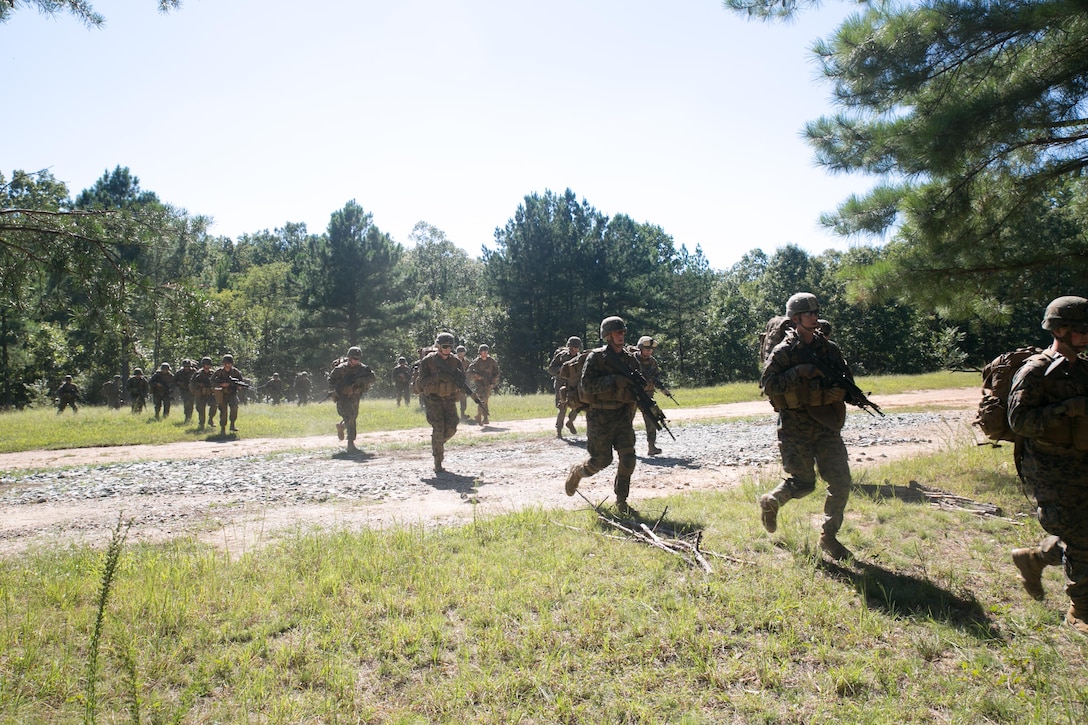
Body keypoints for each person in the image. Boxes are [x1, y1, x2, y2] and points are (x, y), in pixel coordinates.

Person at [1007, 295, 1088, 633]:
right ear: (1062, 330)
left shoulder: (1081, 367)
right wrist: (1067, 408)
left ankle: (1035, 559)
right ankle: (1081, 609)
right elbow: (1018, 420)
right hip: (1052, 470)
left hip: (1081, 462)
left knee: (1082, 536)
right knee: (1083, 538)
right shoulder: (1037, 370)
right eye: (1084, 328)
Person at [757, 292, 855, 561]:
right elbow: (768, 385)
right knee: (803, 483)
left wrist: (840, 393)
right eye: (808, 313)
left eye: (815, 312)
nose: (814, 317)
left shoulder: (829, 349)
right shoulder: (785, 352)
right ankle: (772, 502)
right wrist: (798, 372)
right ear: (795, 318)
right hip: (795, 426)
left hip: (826, 425)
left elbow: (845, 380)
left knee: (841, 481)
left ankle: (829, 536)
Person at [564, 316, 643, 516]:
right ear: (607, 336)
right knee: (601, 460)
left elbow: (636, 387)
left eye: (623, 332)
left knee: (628, 459)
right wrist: (614, 380)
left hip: (623, 416)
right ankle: (578, 472)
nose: (622, 335)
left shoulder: (630, 359)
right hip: (600, 417)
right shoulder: (597, 358)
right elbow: (587, 386)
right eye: (618, 332)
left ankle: (621, 502)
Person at [416, 332, 464, 473]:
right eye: (444, 346)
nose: (448, 349)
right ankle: (438, 461)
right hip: (433, 399)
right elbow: (422, 382)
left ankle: (437, 444)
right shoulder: (428, 361)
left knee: (452, 426)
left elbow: (461, 379)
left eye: (450, 347)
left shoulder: (456, 362)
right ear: (438, 346)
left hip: (449, 398)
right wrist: (437, 377)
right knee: (438, 428)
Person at [328, 346, 377, 454]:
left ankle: (342, 427)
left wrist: (359, 381)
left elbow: (372, 378)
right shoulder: (340, 369)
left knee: (353, 417)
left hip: (355, 397)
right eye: (354, 358)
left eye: (358, 358)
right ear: (349, 358)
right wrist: (335, 390)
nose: (356, 361)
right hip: (343, 397)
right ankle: (350, 443)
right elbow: (331, 380)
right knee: (350, 417)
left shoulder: (363, 369)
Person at [633, 335, 669, 456]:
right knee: (627, 420)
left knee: (652, 419)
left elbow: (656, 378)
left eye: (651, 349)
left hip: (647, 394)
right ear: (640, 348)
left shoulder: (652, 361)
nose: (649, 351)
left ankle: (651, 446)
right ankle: (627, 448)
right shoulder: (632, 360)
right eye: (647, 349)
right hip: (632, 394)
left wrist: (663, 389)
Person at [548, 336, 583, 438]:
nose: (575, 350)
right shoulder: (561, 356)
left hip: (574, 385)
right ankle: (559, 430)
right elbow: (551, 369)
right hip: (561, 384)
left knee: (578, 405)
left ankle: (570, 421)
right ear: (569, 347)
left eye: (576, 348)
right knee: (562, 407)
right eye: (573, 347)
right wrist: (561, 370)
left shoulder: (579, 358)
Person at [212, 354, 245, 435]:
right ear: (224, 363)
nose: (228, 365)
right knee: (223, 412)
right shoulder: (218, 372)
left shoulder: (236, 372)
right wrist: (221, 384)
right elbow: (212, 381)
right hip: (222, 394)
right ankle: (223, 428)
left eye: (229, 363)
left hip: (232, 394)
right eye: (226, 363)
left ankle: (232, 424)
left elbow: (241, 381)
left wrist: (239, 386)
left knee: (234, 408)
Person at [468, 344, 500, 425]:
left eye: (486, 351)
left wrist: (493, 382)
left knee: (485, 400)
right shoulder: (476, 361)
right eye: (483, 351)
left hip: (488, 383)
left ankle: (484, 417)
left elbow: (496, 372)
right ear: (480, 352)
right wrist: (477, 376)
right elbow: (469, 372)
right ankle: (480, 416)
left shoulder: (492, 361)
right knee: (483, 399)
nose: (485, 353)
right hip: (479, 384)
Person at [190, 357, 217, 431]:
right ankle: (201, 423)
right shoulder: (198, 374)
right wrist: (199, 385)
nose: (207, 366)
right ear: (203, 365)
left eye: (208, 365)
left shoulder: (213, 373)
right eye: (206, 365)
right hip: (201, 394)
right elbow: (192, 384)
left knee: (214, 406)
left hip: (210, 393)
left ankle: (210, 419)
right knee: (201, 409)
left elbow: (217, 381)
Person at [455, 345, 471, 419]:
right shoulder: (452, 360)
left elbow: (469, 372)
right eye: (459, 352)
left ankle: (462, 414)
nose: (461, 354)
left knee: (463, 398)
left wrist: (467, 383)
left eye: (462, 352)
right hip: (453, 382)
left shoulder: (466, 362)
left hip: (462, 383)